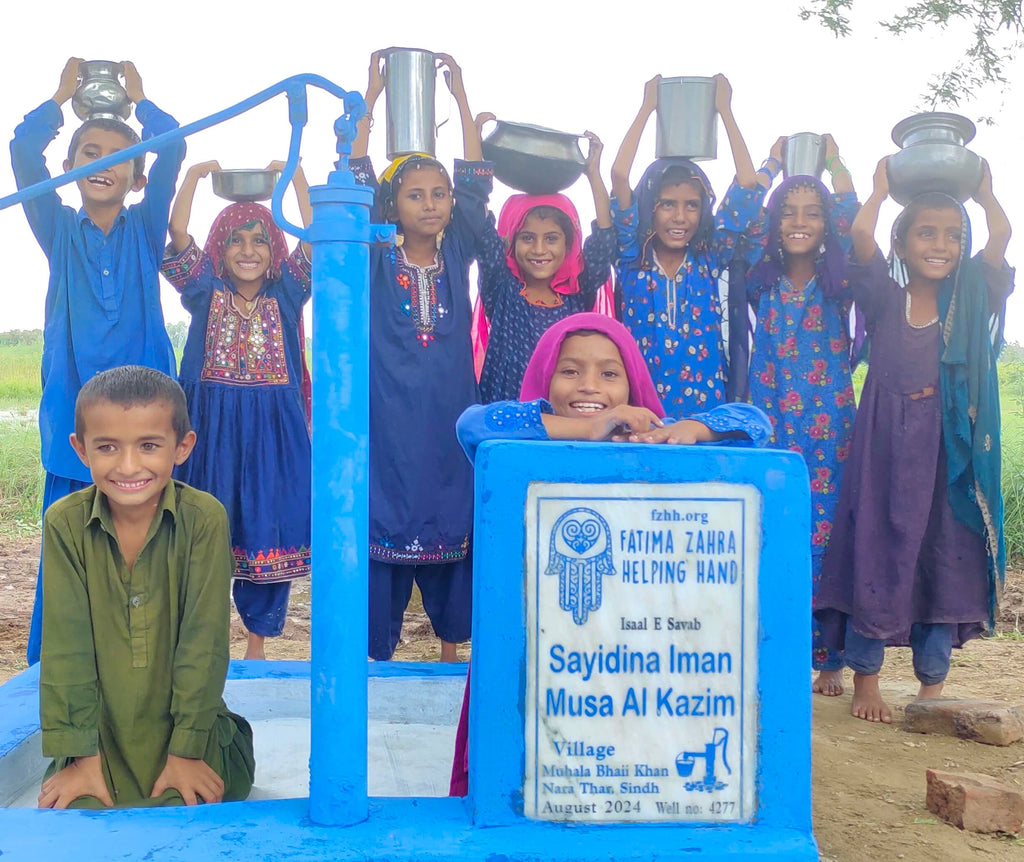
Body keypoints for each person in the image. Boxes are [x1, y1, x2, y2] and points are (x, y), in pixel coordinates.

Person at [450, 312, 772, 794]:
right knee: (521, 754)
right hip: (539, 636)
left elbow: (755, 422)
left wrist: (691, 429)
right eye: (570, 370)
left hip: (627, 641)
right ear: (545, 376)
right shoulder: (521, 439)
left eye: (609, 373)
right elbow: (472, 423)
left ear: (632, 384)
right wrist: (587, 427)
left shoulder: (651, 436)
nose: (589, 386)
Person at [814, 157, 1013, 723]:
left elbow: (999, 237)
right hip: (883, 451)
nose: (942, 245)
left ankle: (931, 688)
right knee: (876, 552)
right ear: (902, 244)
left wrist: (986, 192)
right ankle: (867, 680)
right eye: (927, 232)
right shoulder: (883, 297)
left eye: (954, 236)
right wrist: (878, 191)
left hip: (948, 453)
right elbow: (859, 235)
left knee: (942, 556)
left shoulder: (970, 295)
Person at [11, 57, 186, 666]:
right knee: (69, 551)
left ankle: (143, 671)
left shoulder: (144, 227)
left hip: (144, 423)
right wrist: (60, 97)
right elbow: (22, 155)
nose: (102, 162)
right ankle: (53, 674)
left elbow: (174, 149)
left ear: (136, 175)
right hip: (74, 423)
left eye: (117, 155)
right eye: (89, 151)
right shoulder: (56, 228)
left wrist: (140, 98)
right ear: (69, 170)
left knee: (147, 549)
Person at [38, 366, 254, 809]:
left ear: (182, 446)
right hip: (97, 742)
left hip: (187, 738)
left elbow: (205, 644)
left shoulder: (203, 519)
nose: (129, 466)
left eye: (149, 446)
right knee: (79, 817)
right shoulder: (64, 524)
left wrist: (187, 750)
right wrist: (80, 756)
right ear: (81, 450)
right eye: (107, 447)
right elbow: (65, 648)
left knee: (180, 810)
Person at [351, 51, 492, 661]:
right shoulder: (377, 254)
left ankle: (449, 647)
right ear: (393, 204)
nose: (431, 203)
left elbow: (477, 180)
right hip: (388, 415)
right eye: (416, 195)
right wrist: (373, 93)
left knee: (450, 509)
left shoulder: (457, 248)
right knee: (385, 511)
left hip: (448, 412)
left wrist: (460, 99)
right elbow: (355, 174)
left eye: (438, 194)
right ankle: (376, 651)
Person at [160, 160, 313, 661]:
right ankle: (206, 641)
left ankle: (257, 646)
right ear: (219, 249)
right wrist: (193, 178)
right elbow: (177, 230)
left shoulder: (287, 294)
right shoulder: (205, 291)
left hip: (274, 431)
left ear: (274, 249)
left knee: (267, 525)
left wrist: (295, 178)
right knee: (208, 525)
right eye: (235, 240)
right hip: (211, 430)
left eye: (259, 240)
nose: (248, 251)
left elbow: (313, 236)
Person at [735, 134, 860, 696]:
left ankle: (831, 658)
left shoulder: (840, 284)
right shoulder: (761, 282)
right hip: (771, 417)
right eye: (790, 212)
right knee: (772, 524)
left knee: (827, 532)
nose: (800, 221)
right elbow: (743, 226)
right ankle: (775, 647)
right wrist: (771, 165)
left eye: (813, 213)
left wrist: (835, 165)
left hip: (830, 423)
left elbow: (854, 220)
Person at [610, 74, 761, 416]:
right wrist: (647, 107)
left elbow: (748, 183)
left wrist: (725, 110)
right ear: (650, 208)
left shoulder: (709, 257)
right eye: (667, 204)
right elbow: (619, 175)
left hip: (704, 411)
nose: (680, 217)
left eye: (691, 205)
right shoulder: (633, 256)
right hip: (640, 407)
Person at [471, 127, 617, 402]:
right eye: (527, 238)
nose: (539, 250)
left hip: (564, 421)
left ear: (568, 244)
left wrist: (593, 174)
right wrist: (479, 151)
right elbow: (479, 219)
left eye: (551, 239)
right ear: (511, 243)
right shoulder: (502, 288)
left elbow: (604, 239)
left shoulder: (576, 294)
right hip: (506, 422)